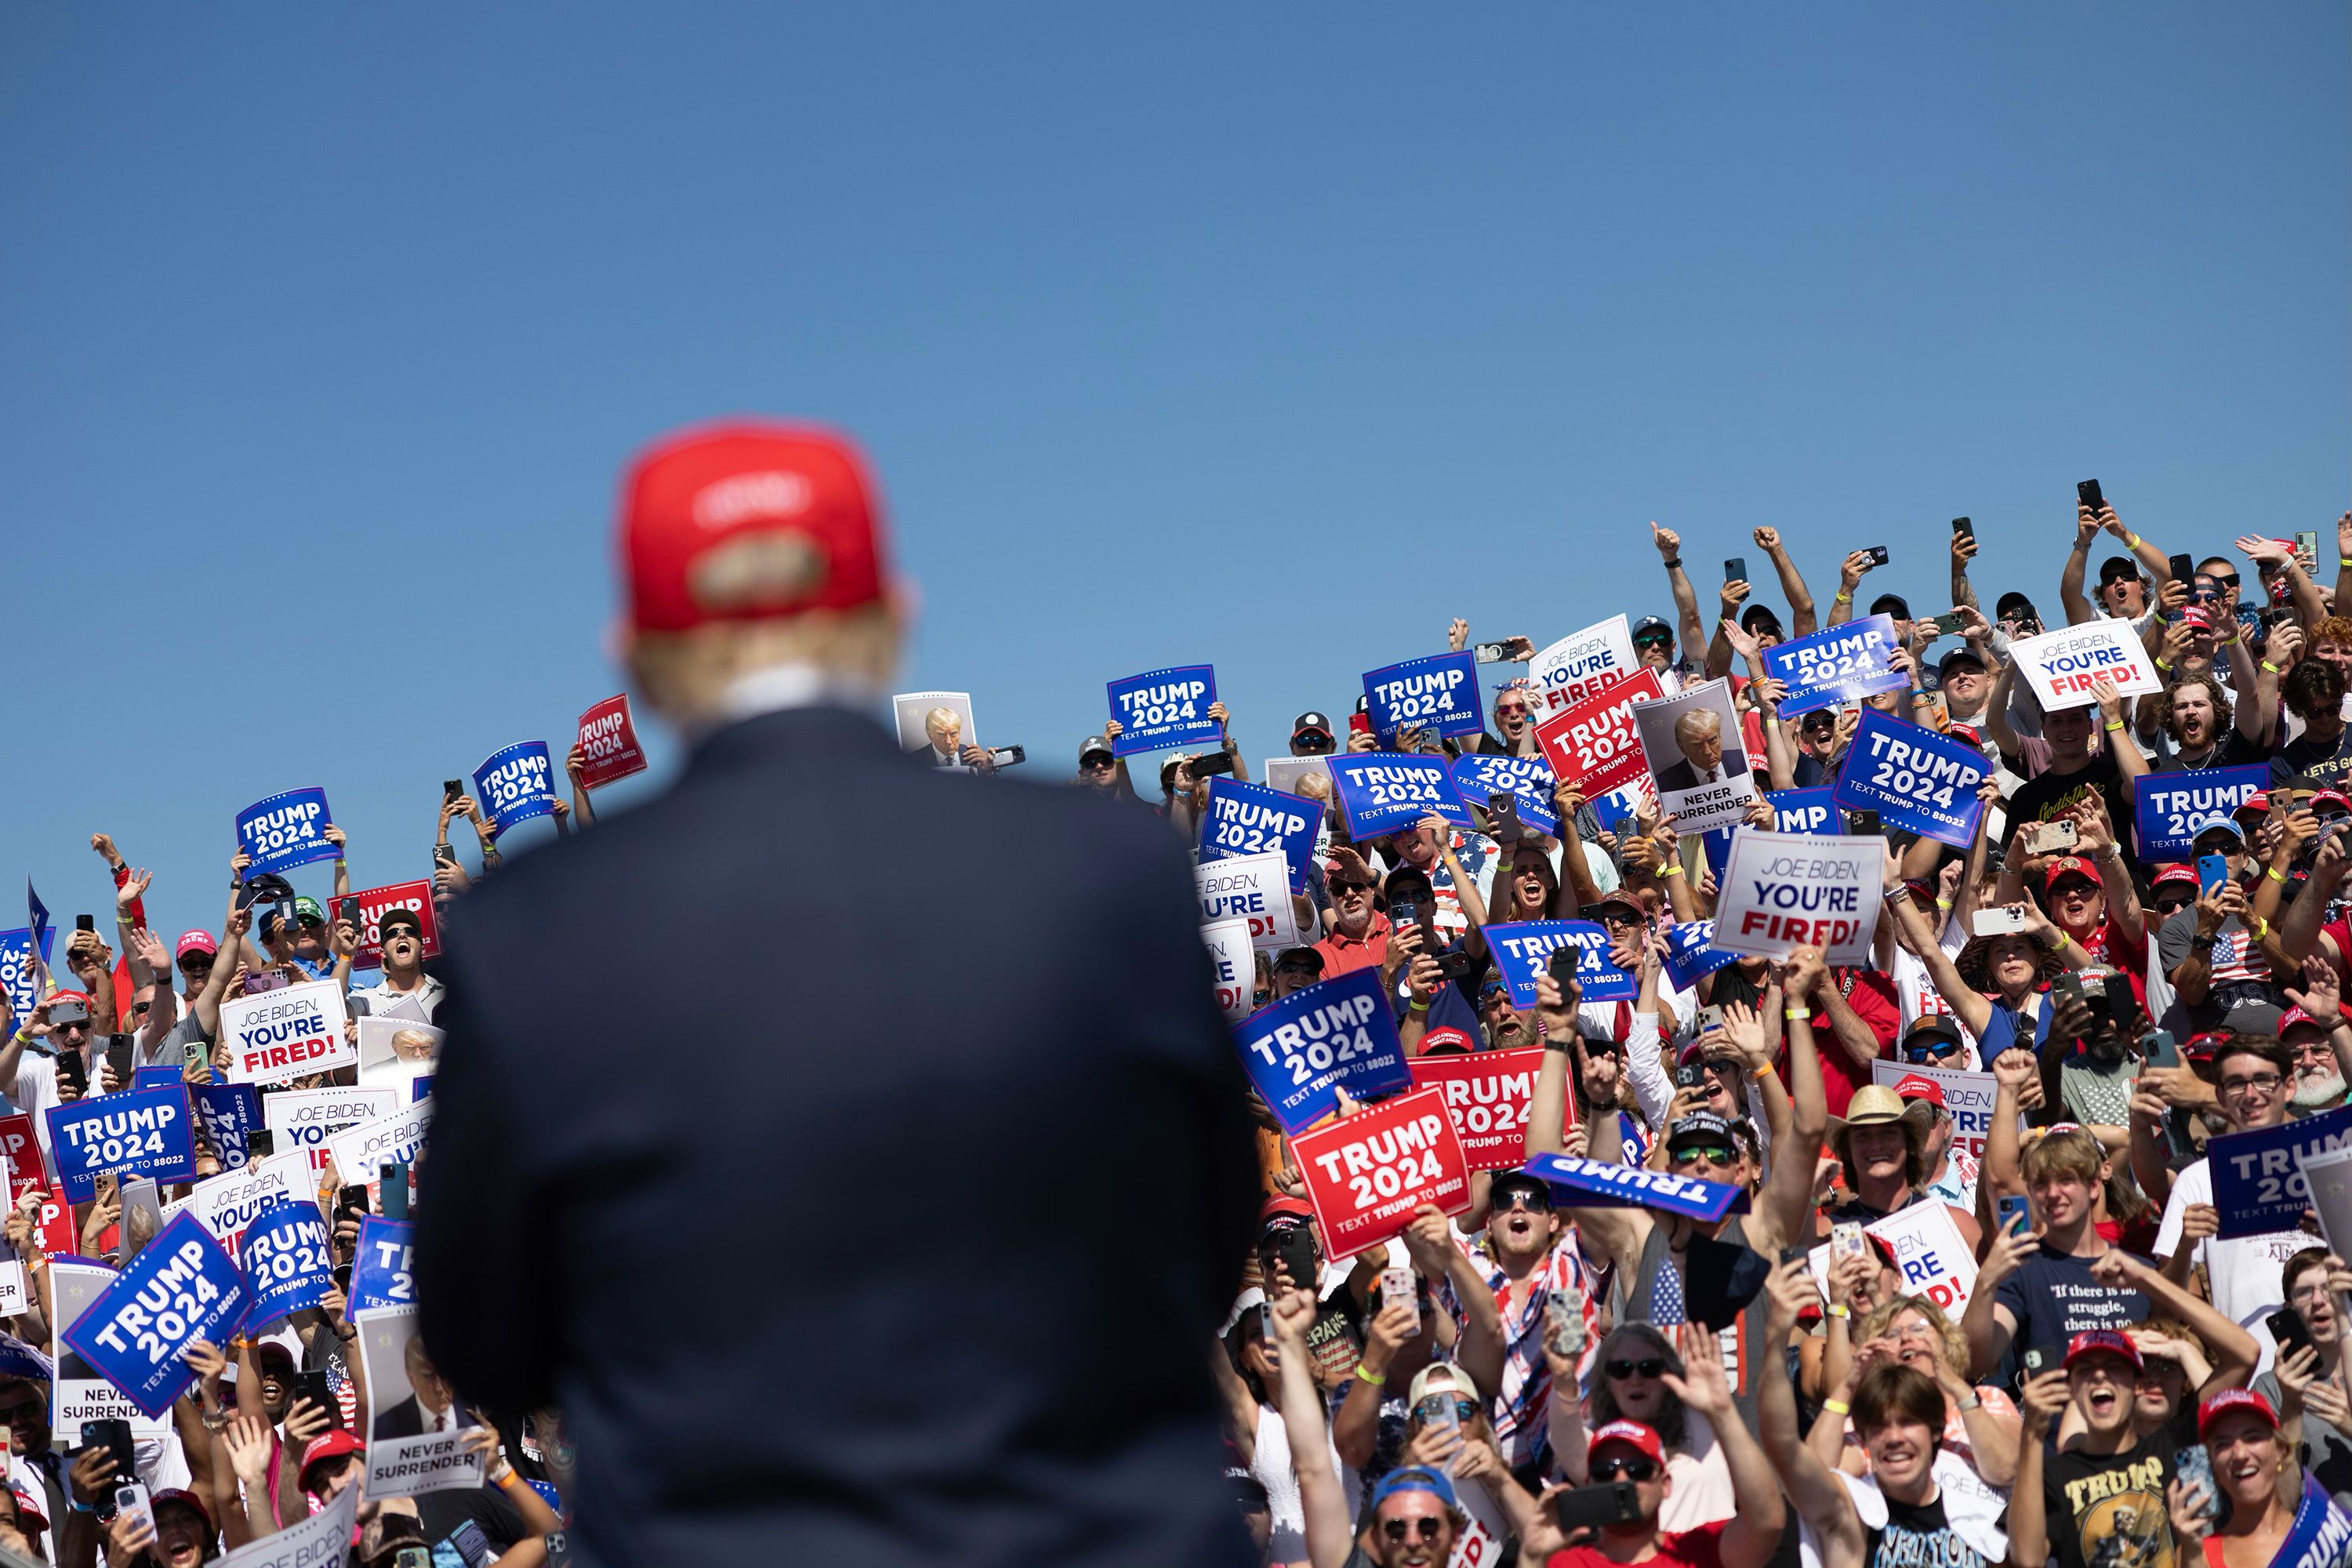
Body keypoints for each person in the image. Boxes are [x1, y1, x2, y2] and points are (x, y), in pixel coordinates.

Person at [412, 421, 1258, 1566]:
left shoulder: (531, 936)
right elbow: (1205, 1244)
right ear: (889, 617)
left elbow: (488, 1341)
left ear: (635, 650)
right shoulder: (1108, 865)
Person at [1539, 1324, 1785, 1568]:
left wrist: (1721, 1412)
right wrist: (1563, 1380)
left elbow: (1767, 1517)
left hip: (1706, 1554)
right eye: (1621, 1369)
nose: (1635, 1379)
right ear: (1607, 1379)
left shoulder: (1707, 1422)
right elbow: (1565, 1439)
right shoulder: (1604, 1443)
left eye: (1649, 1368)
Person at [2168, 1389, 2352, 1568]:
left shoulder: (2327, 1534)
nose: (2239, 1454)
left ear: (2281, 1450)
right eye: (2223, 1444)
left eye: (2253, 1438)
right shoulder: (2197, 1552)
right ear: (2212, 1465)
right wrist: (2192, 1556)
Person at [1653, 708, 1748, 792]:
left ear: (1720, 736)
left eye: (1712, 740)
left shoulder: (1743, 760)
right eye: (1697, 745)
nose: (1707, 751)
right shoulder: (1664, 784)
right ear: (1682, 748)